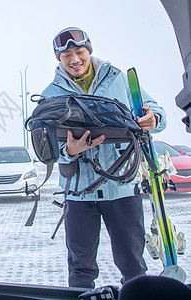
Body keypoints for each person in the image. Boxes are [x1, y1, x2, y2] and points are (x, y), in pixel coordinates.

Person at [41, 27, 167, 288]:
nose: (74, 59)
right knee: (80, 266)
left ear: (89, 51)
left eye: (79, 52)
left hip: (120, 187)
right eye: (66, 56)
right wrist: (70, 151)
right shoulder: (51, 93)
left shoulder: (118, 79)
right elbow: (44, 145)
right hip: (78, 192)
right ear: (59, 59)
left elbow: (156, 111)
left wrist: (153, 118)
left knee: (133, 263)